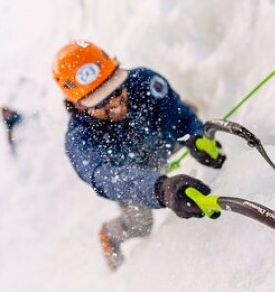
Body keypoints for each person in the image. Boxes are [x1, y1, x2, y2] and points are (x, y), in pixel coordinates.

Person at [52, 40, 226, 270]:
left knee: (191, 112)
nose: (116, 105)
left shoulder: (143, 82)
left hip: (161, 143)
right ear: (78, 105)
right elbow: (111, 179)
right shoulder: (80, 142)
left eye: (115, 89)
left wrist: (195, 136)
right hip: (135, 177)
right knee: (141, 225)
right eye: (102, 102)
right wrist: (160, 188)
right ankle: (109, 235)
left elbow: (180, 117)